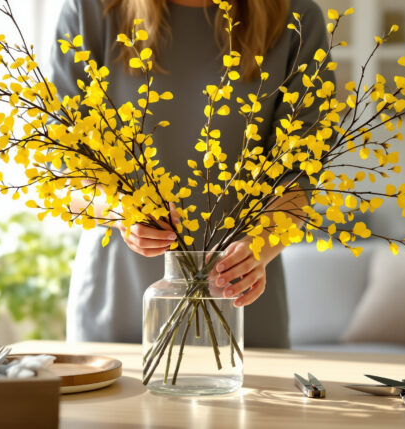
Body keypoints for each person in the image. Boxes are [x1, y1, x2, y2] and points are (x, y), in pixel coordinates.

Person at [50, 0, 334, 347]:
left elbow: (299, 173)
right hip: (117, 310)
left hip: (241, 309)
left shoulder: (296, 18)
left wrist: (258, 246)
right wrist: (121, 211)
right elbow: (66, 172)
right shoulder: (91, 10)